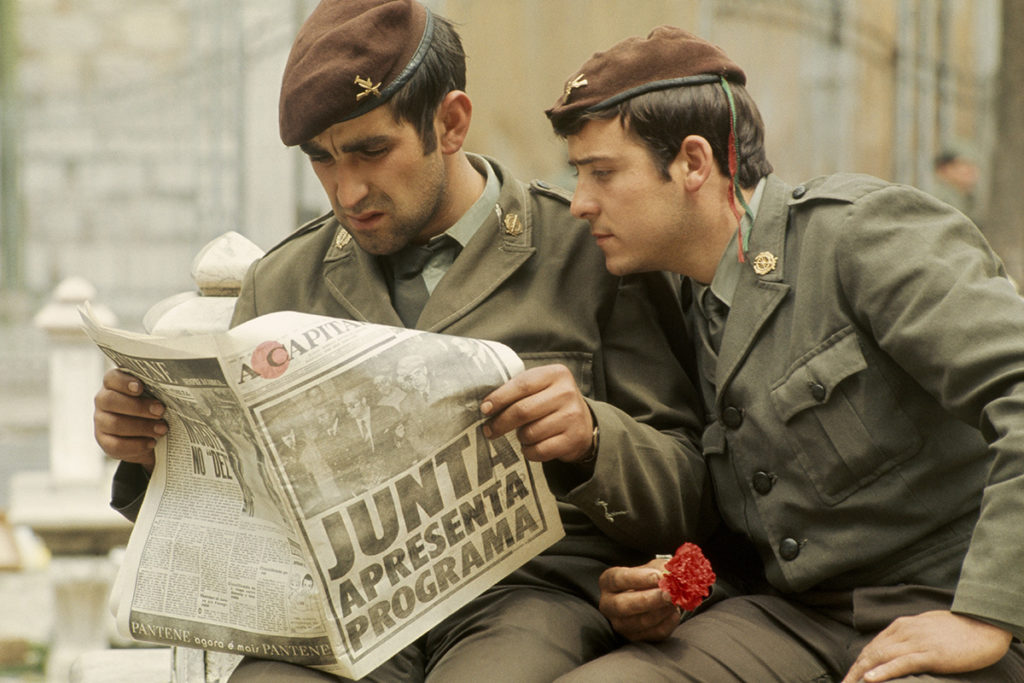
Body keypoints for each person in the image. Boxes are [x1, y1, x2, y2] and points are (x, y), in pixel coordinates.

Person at [93, 2, 711, 681]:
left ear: (450, 123)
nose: (347, 190)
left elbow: (693, 487)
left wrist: (592, 437)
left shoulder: (588, 248)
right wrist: (150, 449)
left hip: (529, 598)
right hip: (339, 617)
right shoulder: (284, 280)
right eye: (321, 159)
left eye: (371, 151)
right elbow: (234, 520)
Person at [544, 26, 1024, 682]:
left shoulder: (858, 235)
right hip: (794, 616)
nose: (579, 203)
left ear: (693, 163)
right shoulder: (681, 301)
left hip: (952, 604)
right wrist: (675, 583)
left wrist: (987, 613)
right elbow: (762, 512)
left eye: (602, 172)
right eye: (578, 175)